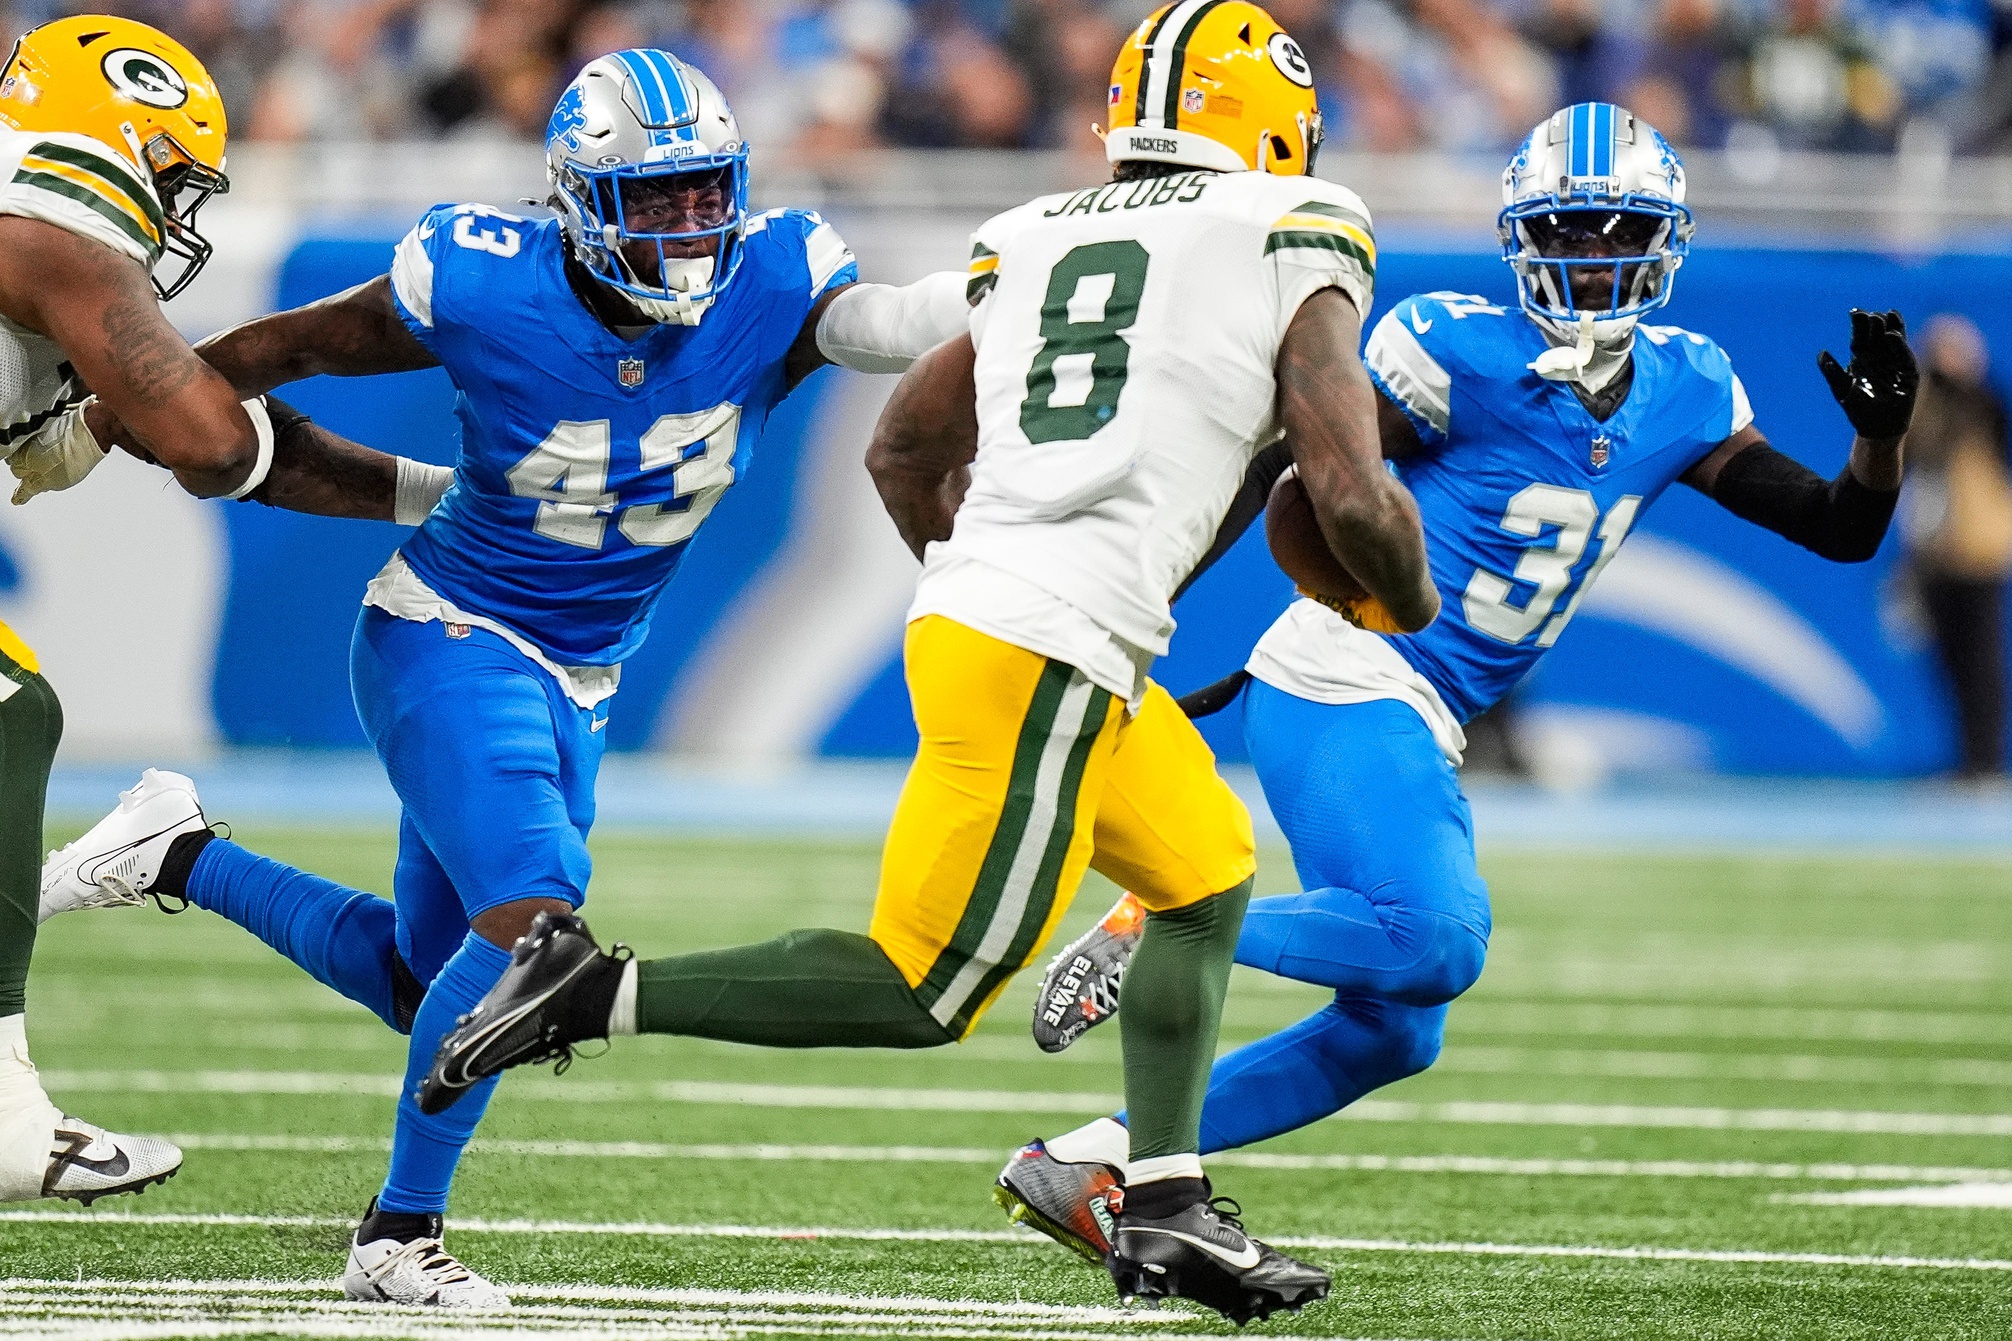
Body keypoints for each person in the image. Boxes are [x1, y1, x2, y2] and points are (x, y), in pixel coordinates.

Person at [411, 2, 1439, 1323]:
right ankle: (594, 989)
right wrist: (1399, 601)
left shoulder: (1028, 235)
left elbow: (903, 450)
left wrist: (1019, 591)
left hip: (1011, 620)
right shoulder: (1297, 221)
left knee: (1203, 874)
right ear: (1279, 127)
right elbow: (1348, 493)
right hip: (1043, 637)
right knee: (923, 987)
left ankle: (1164, 1206)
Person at [40, 48, 969, 1307]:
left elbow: (884, 323)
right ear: (580, 199)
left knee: (432, 986)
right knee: (535, 925)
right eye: (659, 198)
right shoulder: (480, 278)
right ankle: (394, 1237)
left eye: (708, 193)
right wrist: (117, 409)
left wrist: (998, 290)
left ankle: (179, 854)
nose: (693, 225)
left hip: (586, 670)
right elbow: (293, 346)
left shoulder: (778, 274)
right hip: (451, 630)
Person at [995, 101, 1920, 1264]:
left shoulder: (1687, 385)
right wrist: (1150, 593)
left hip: (1420, 714)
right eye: (1568, 230)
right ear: (1521, 238)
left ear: (1663, 238)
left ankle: (1096, 1161)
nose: (1591, 256)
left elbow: (1837, 530)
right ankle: (1168, 919)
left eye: (1614, 229)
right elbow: (1295, 475)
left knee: (1393, 1033)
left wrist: (1882, 441)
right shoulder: (1452, 346)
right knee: (1435, 938)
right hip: (1345, 672)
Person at [0, 14, 281, 1207]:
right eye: (171, 169)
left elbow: (41, 452)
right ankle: (6, 1118)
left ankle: (104, 865)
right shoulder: (54, 230)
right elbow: (210, 444)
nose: (177, 207)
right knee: (9, 711)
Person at [1900, 313, 2012, 780]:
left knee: (1979, 659)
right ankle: (1967, 758)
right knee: (1948, 663)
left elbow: (1987, 420)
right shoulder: (1924, 414)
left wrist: (1962, 372)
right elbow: (1908, 452)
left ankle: (1984, 761)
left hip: (1978, 551)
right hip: (1933, 554)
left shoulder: (1983, 408)